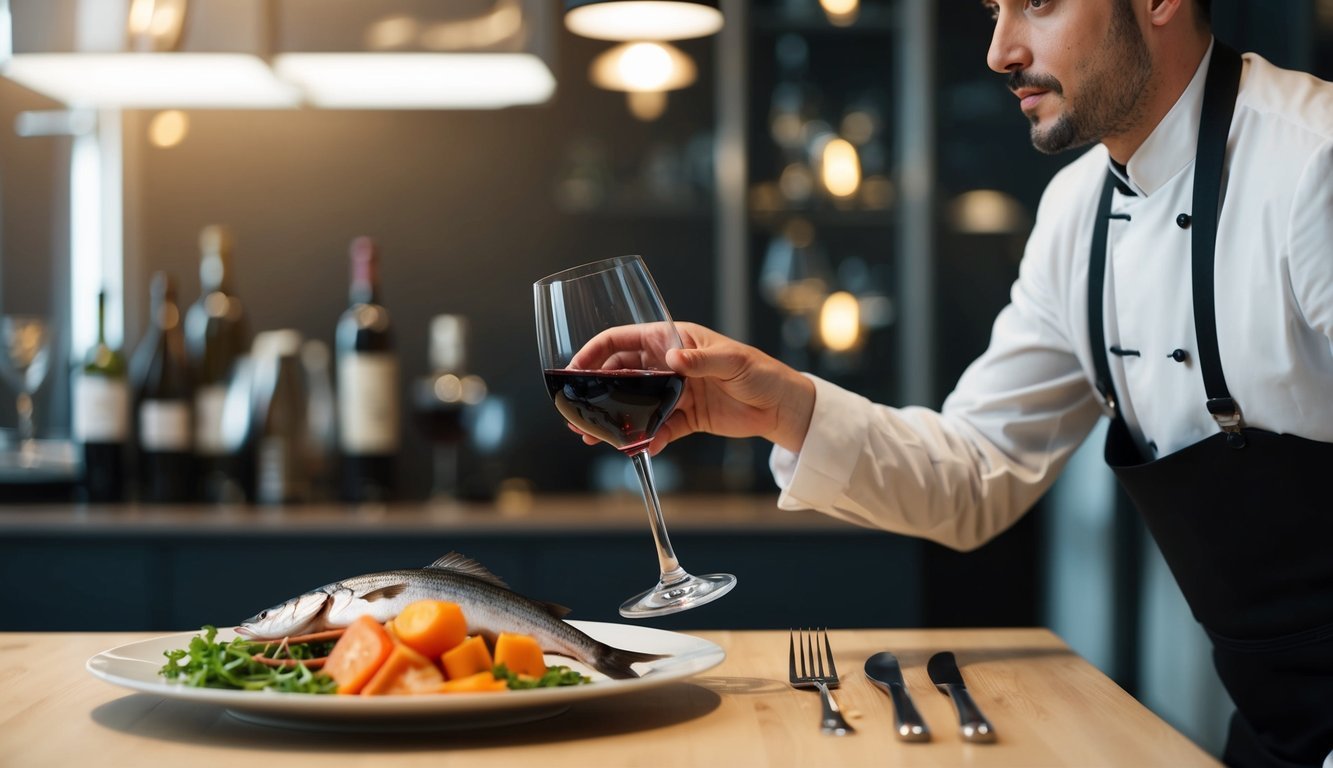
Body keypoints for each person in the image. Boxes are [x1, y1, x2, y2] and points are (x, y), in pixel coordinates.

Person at [571, 1, 1333, 766]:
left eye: (1036, 3)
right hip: (1274, 733)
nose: (1001, 50)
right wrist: (785, 407)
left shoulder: (1313, 163)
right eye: (992, 10)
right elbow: (977, 471)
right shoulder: (1077, 212)